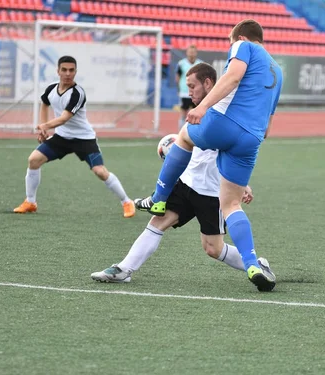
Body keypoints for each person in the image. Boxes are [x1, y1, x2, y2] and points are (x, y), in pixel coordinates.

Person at [90, 63, 274, 284]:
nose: (189, 92)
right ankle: (123, 269)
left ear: (208, 83)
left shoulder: (224, 111)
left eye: (192, 86)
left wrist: (242, 184)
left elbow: (235, 151)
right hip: (186, 184)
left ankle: (257, 265)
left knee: (212, 249)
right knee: (158, 221)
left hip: (213, 194)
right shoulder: (198, 110)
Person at [135, 19, 283, 292]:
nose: (231, 47)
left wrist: (202, 107)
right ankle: (252, 263)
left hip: (224, 122)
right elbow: (268, 127)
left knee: (183, 136)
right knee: (231, 205)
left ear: (241, 37)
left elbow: (233, 76)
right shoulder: (278, 71)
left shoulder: (243, 45)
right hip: (251, 139)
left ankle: (158, 199)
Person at [13, 55, 135, 218]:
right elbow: (44, 103)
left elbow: (64, 118)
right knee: (33, 160)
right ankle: (30, 202)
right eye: (64, 70)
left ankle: (127, 201)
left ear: (75, 72)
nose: (68, 73)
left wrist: (46, 126)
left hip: (84, 139)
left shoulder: (78, 93)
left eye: (71, 70)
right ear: (58, 71)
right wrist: (44, 129)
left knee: (100, 171)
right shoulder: (51, 89)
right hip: (62, 138)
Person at [176, 44, 203, 129]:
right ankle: (180, 133)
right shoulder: (181, 63)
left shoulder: (200, 64)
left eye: (193, 52)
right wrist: (179, 89)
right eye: (190, 52)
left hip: (197, 93)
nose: (191, 54)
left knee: (197, 114)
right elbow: (177, 77)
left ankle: (195, 133)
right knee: (183, 114)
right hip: (185, 92)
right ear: (187, 53)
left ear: (196, 53)